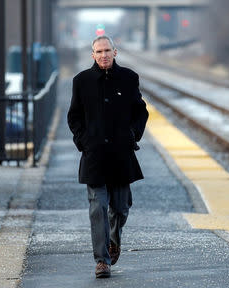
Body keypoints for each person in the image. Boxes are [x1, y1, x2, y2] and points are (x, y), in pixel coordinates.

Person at [67, 35, 148, 278]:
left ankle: (114, 240)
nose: (103, 55)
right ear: (92, 55)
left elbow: (140, 112)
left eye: (107, 50)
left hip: (122, 155)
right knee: (98, 208)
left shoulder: (129, 78)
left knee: (121, 209)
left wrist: (132, 135)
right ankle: (102, 261)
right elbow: (74, 117)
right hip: (95, 157)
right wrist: (84, 141)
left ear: (115, 52)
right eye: (99, 51)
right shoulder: (81, 81)